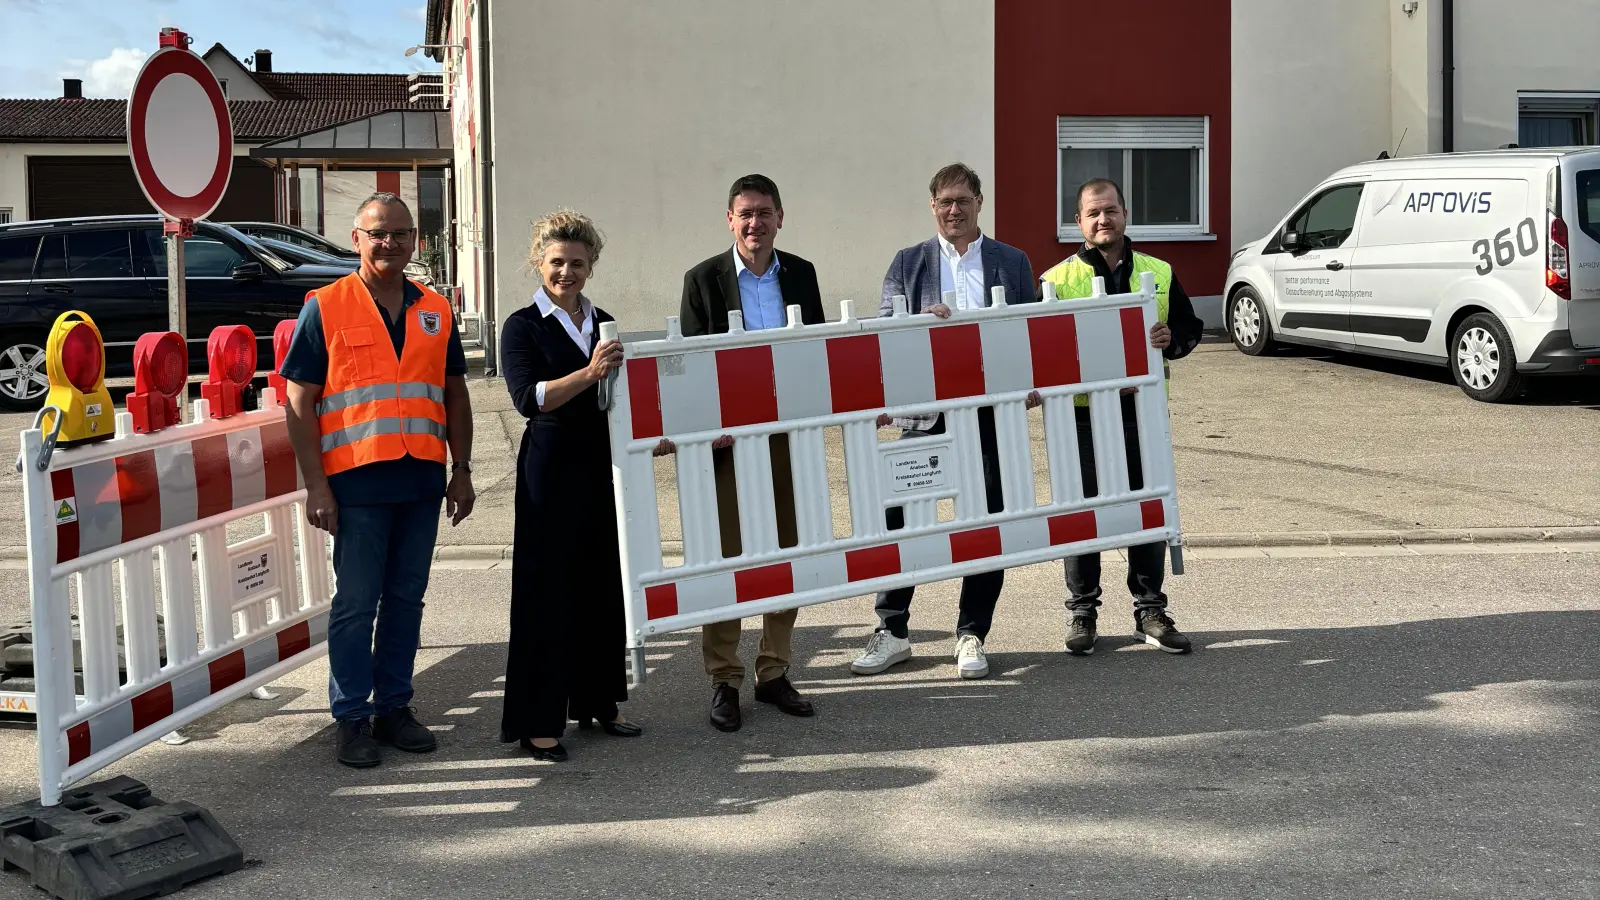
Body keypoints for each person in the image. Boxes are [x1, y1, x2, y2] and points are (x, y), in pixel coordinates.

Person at [280, 192, 475, 768]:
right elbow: (299, 401)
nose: (391, 243)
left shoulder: (435, 309)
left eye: (401, 233)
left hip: (420, 479)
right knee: (356, 604)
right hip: (357, 484)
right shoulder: (326, 305)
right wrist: (316, 485)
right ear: (356, 239)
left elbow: (456, 396)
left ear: (416, 239)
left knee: (406, 601)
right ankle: (351, 717)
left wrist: (460, 470)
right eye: (379, 233)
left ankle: (394, 708)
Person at [850, 163, 1035, 681]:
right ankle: (893, 630)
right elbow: (884, 330)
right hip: (924, 415)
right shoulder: (907, 263)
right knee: (902, 519)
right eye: (944, 202)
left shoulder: (1012, 261)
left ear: (980, 202)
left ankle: (971, 632)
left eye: (963, 200)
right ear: (932, 206)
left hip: (988, 414)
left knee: (986, 521)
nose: (954, 211)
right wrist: (914, 323)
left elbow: (1027, 332)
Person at [678, 174, 824, 732]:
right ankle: (724, 678)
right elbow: (690, 364)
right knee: (727, 556)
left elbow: (813, 352)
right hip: (727, 442)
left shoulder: (802, 274)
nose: (754, 223)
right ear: (729, 219)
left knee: (788, 548)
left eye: (764, 213)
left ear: (780, 218)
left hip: (787, 436)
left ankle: (774, 669)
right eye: (745, 213)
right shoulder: (702, 280)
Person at [497, 209, 643, 762]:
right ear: (540, 262)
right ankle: (538, 720)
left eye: (577, 264)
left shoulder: (602, 319)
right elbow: (528, 398)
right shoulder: (522, 325)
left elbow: (622, 397)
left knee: (601, 581)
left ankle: (599, 701)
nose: (566, 272)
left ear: (592, 266)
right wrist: (589, 372)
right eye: (557, 262)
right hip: (550, 466)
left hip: (599, 462)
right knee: (546, 592)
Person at [1039, 177, 1204, 656]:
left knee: (1145, 509)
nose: (1102, 220)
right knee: (1082, 513)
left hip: (1141, 413)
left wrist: (1169, 338)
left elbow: (1190, 330)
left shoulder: (1160, 271)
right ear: (1078, 223)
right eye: (1092, 213)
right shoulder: (1055, 280)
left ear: (1125, 214)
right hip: (1082, 419)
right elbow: (1041, 351)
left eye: (1110, 210)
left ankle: (1150, 611)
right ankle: (1082, 613)